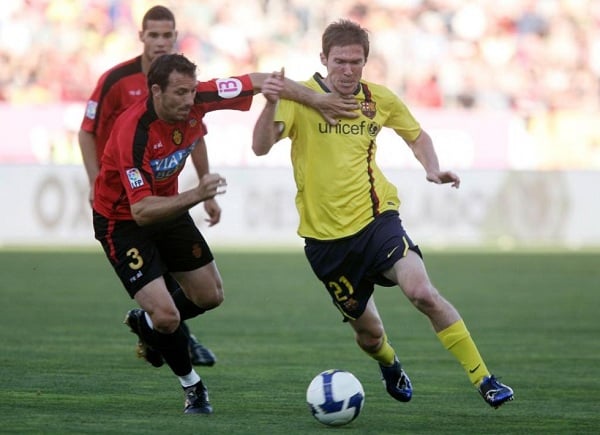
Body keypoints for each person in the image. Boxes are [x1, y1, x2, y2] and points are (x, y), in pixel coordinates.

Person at [251, 19, 514, 409]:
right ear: (323, 58)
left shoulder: (379, 99)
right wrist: (271, 101)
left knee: (422, 292)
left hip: (377, 220)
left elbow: (417, 135)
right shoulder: (301, 97)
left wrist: (431, 167)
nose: (347, 70)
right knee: (369, 336)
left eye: (356, 62)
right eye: (339, 61)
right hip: (325, 242)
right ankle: (390, 364)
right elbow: (260, 147)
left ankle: (484, 379)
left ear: (365, 62)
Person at [92, 52, 357, 414]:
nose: (189, 99)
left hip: (168, 206)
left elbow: (263, 80)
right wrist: (198, 194)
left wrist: (318, 99)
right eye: (180, 93)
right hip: (122, 222)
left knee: (210, 295)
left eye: (191, 91)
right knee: (169, 316)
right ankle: (193, 387)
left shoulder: (199, 96)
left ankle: (149, 324)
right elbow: (139, 210)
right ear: (155, 91)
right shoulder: (132, 132)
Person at [78, 5, 217, 367]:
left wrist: (204, 181)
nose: (160, 41)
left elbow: (194, 135)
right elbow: (86, 131)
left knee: (195, 289)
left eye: (166, 35)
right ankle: (176, 340)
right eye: (152, 35)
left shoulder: (183, 86)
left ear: (175, 36)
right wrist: (95, 180)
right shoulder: (115, 81)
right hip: (122, 200)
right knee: (164, 292)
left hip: (162, 201)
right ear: (141, 37)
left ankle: (160, 331)